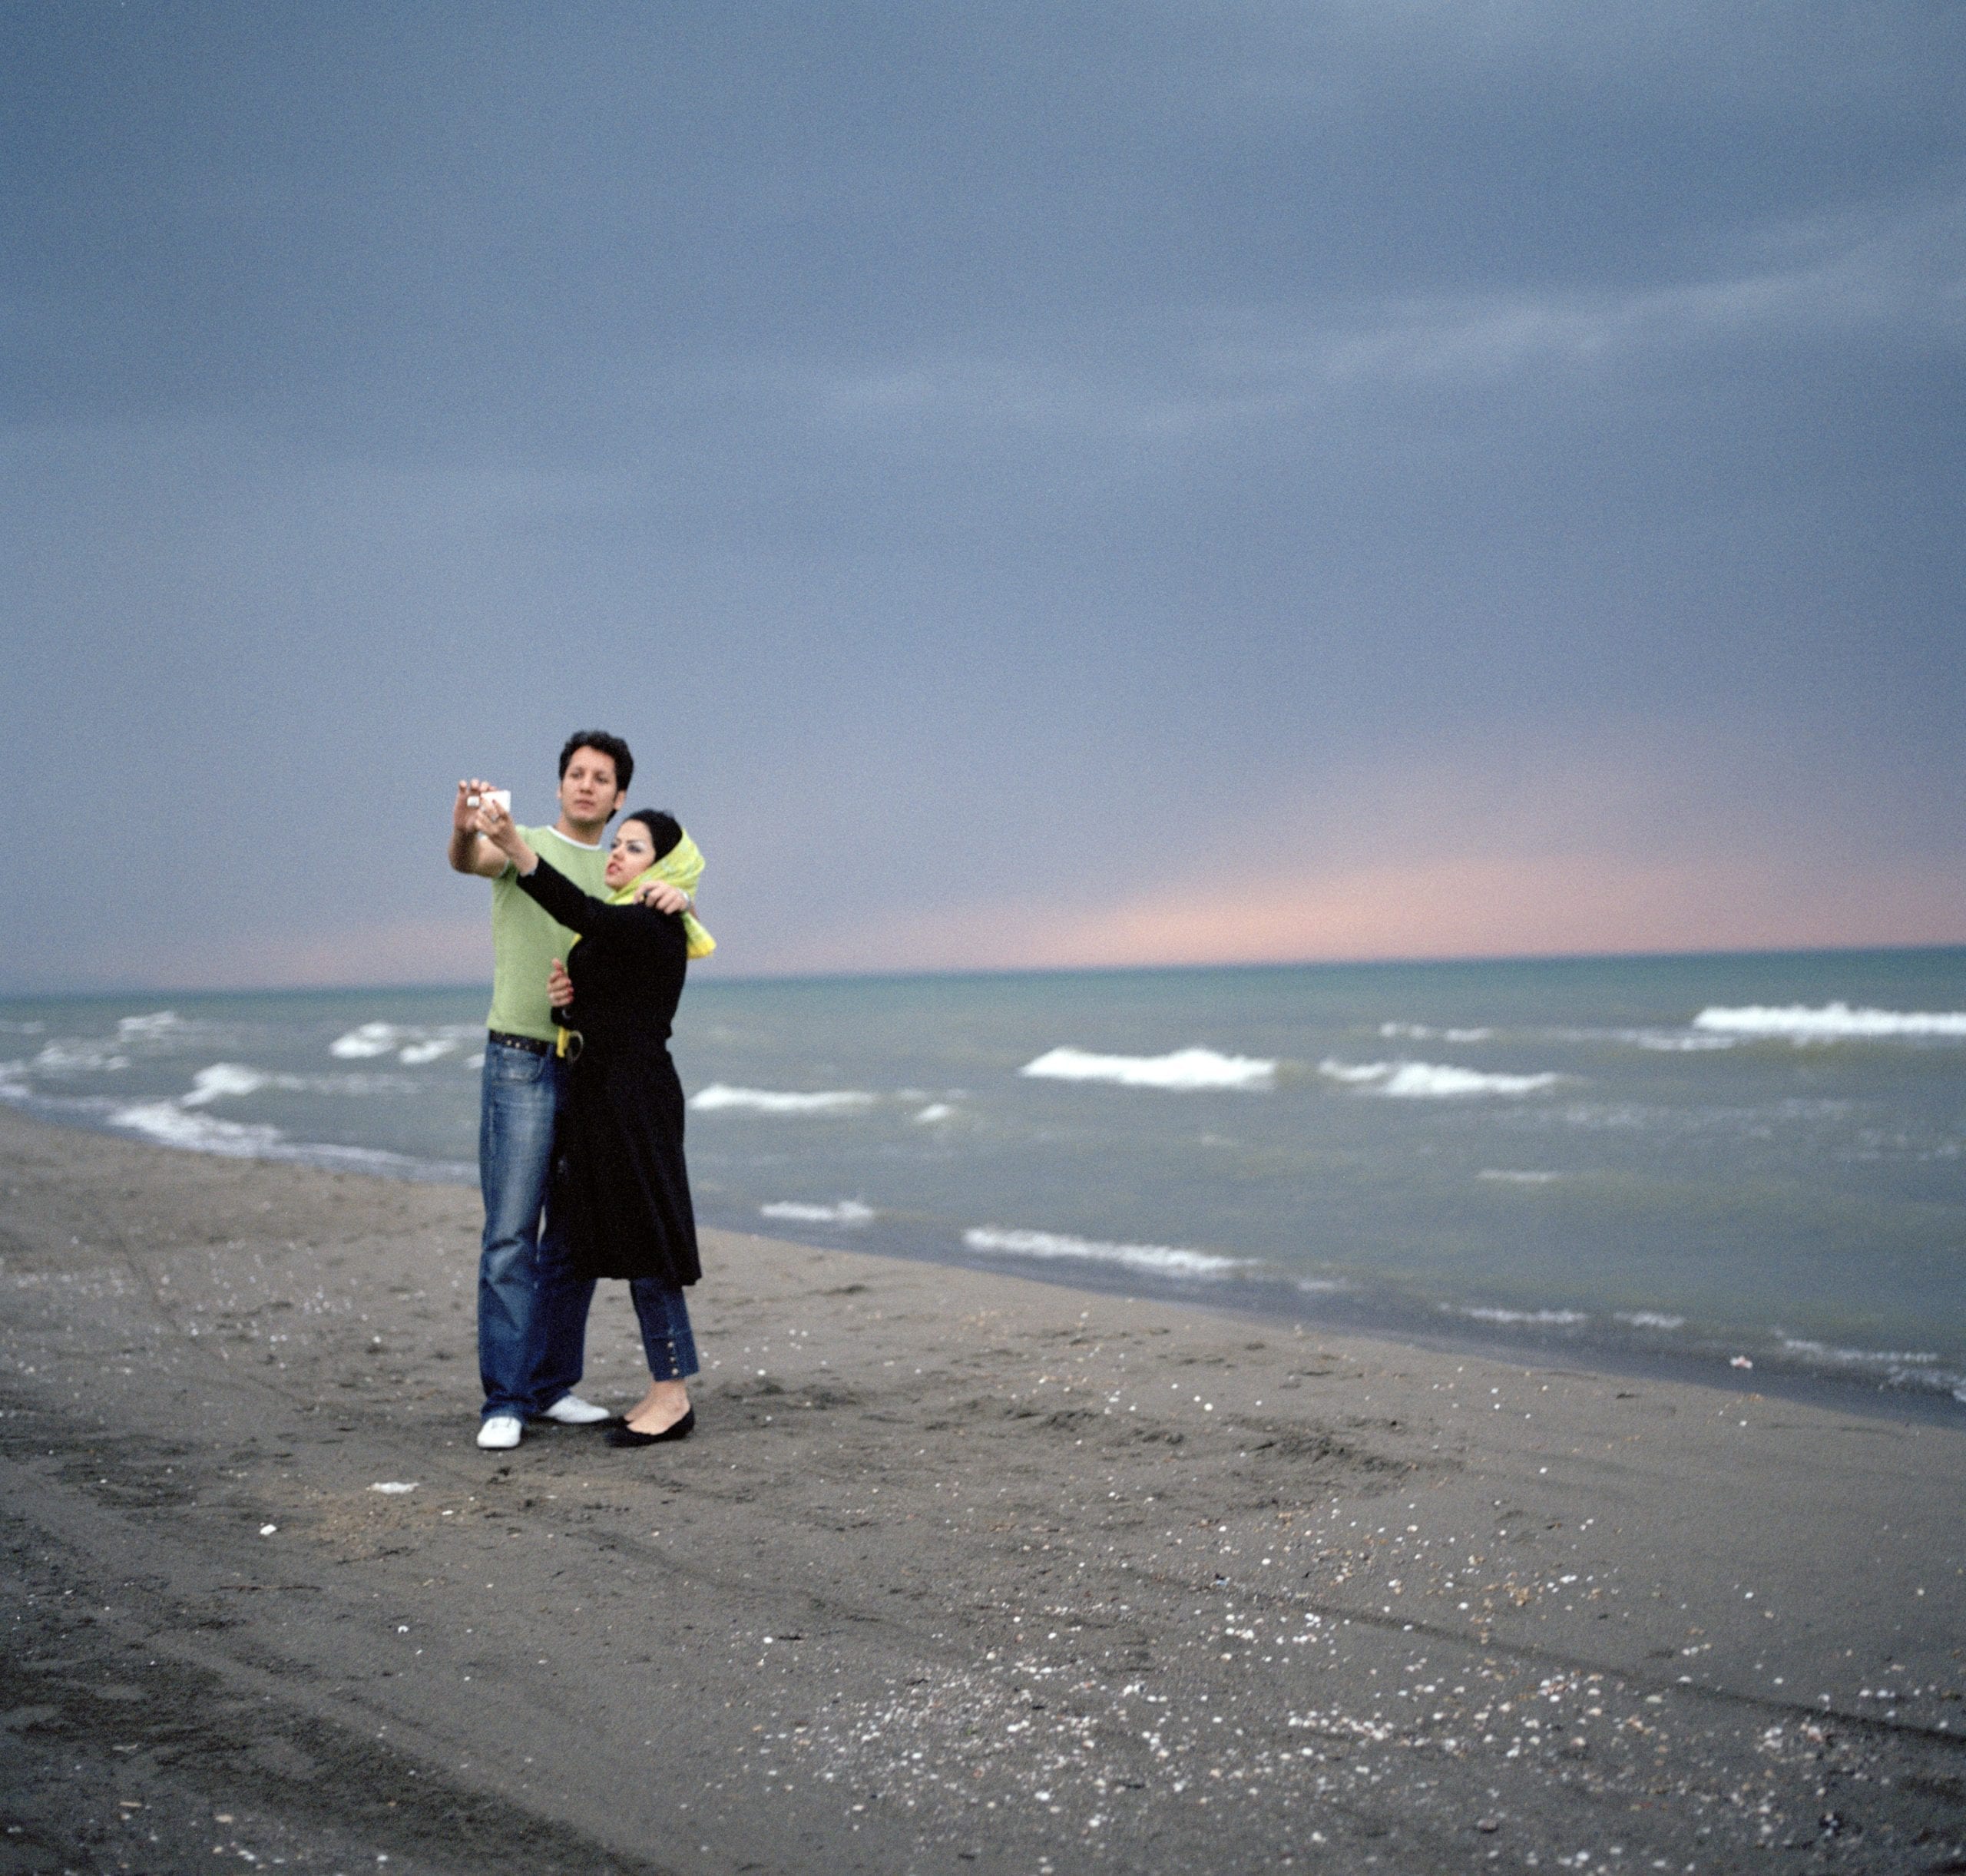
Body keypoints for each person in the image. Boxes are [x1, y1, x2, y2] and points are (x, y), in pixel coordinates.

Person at [447, 731, 692, 1451]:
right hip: (522, 1059)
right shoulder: (516, 839)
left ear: (619, 797)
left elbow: (646, 938)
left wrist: (683, 894)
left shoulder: (627, 867)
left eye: (602, 777)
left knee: (575, 1240)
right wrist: (465, 831)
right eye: (576, 774)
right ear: (559, 786)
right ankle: (507, 1397)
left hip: (590, 1071)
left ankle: (552, 1386)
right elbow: (470, 860)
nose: (587, 785)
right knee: (511, 1234)